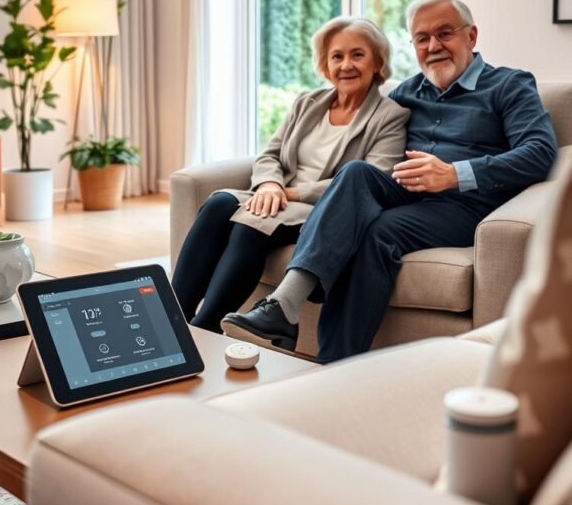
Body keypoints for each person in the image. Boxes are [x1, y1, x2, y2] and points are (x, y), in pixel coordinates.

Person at [222, 0, 558, 362]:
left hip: (465, 205)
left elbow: (540, 154)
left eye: (445, 34)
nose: (433, 46)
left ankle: (333, 364)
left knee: (379, 233)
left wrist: (454, 174)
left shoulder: (509, 85)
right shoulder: (406, 93)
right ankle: (283, 307)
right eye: (422, 38)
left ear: (472, 36)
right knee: (356, 172)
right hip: (405, 191)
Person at [171, 17, 409, 334]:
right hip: (277, 196)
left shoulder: (390, 117)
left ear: (378, 61)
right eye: (337, 56)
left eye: (357, 55)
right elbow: (270, 154)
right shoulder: (307, 102)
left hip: (322, 210)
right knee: (218, 205)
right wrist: (270, 184)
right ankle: (172, 318)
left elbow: (371, 181)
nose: (346, 65)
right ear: (325, 64)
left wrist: (289, 193)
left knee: (250, 227)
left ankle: (205, 327)